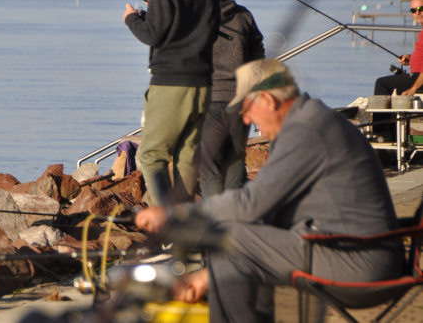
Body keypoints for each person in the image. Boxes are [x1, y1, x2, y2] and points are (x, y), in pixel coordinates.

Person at [135, 59, 404, 322]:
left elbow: (252, 203)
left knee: (232, 238)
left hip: (360, 264)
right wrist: (206, 276)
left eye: (247, 108)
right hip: (343, 251)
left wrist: (179, 214)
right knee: (236, 238)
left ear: (268, 99)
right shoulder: (304, 124)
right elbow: (265, 215)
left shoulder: (307, 129)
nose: (246, 118)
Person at [123, 0, 220, 205]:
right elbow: (207, 30)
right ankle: (185, 235)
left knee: (151, 157)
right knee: (186, 163)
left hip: (170, 84)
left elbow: (152, 34)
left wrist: (131, 18)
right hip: (202, 85)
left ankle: (167, 225)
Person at [199, 0, 265, 196]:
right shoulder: (243, 16)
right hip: (241, 100)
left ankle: (217, 226)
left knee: (210, 169)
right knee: (236, 162)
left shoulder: (192, 18)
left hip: (207, 100)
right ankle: (235, 223)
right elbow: (259, 55)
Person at [373, 0, 423, 97]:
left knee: (381, 84)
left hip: (419, 78)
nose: (417, 13)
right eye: (413, 10)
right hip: (417, 75)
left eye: (420, 9)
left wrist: (413, 88)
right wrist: (411, 57)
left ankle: (382, 114)